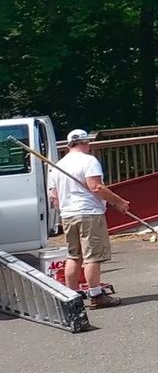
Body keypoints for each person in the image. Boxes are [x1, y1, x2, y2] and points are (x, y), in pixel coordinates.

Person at [46, 129, 130, 308]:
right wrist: (119, 202)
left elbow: (54, 197)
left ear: (69, 144)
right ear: (85, 143)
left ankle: (72, 297)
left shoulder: (58, 165)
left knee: (74, 255)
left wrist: (66, 208)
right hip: (89, 213)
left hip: (68, 215)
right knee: (92, 256)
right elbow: (96, 187)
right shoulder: (89, 161)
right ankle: (96, 295)